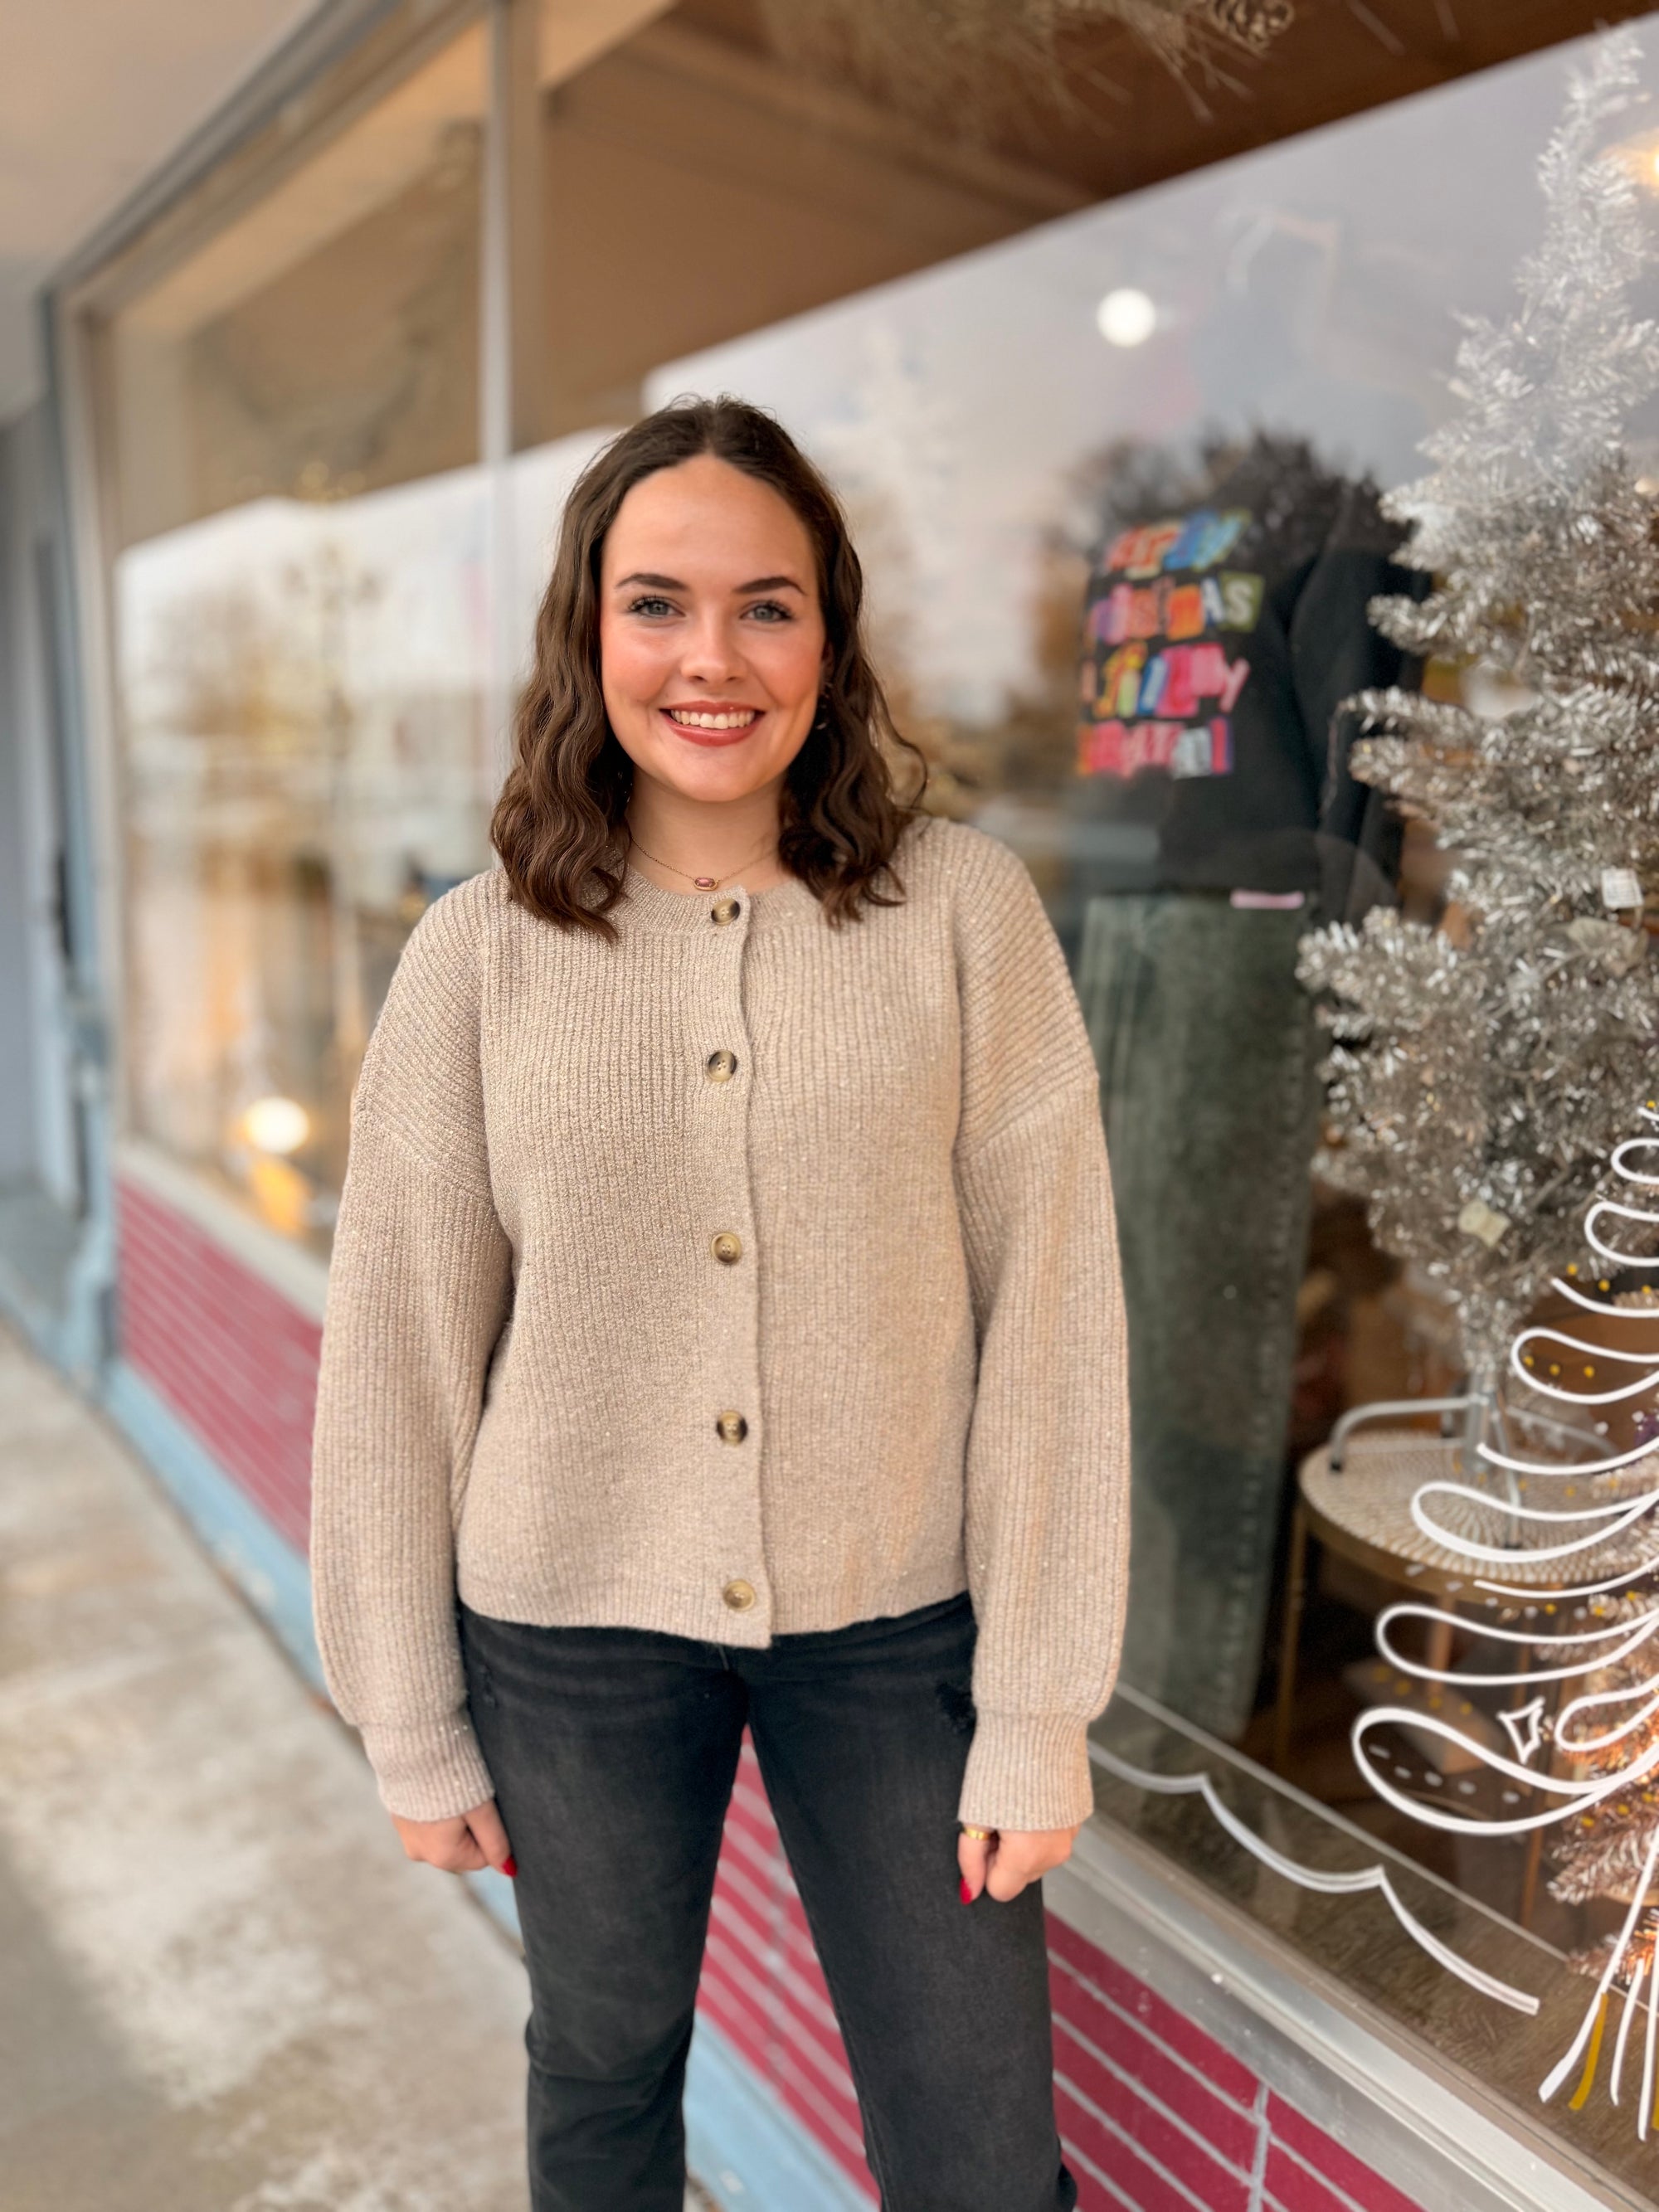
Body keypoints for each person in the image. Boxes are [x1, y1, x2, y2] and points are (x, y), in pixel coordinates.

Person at [309, 395, 1131, 2212]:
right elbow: (396, 1347)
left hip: (898, 1618)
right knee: (601, 2075)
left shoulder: (962, 915)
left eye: (765, 604)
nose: (710, 656)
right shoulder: (478, 952)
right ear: (586, 632)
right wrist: (407, 1702)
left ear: (827, 637)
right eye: (656, 601)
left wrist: (1036, 1702)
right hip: (571, 1617)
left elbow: (1055, 1320)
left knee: (979, 2137)